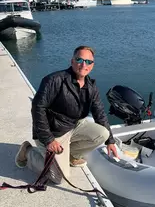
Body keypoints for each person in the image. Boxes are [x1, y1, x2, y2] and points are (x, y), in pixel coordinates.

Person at [15, 45, 118, 184]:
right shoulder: (54, 80)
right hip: (53, 131)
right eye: (79, 59)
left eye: (88, 62)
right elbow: (37, 108)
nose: (83, 64)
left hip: (73, 125)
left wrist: (110, 141)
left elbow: (99, 113)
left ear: (92, 65)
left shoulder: (91, 87)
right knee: (58, 178)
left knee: (102, 134)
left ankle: (72, 155)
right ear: (72, 61)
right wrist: (48, 139)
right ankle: (27, 152)